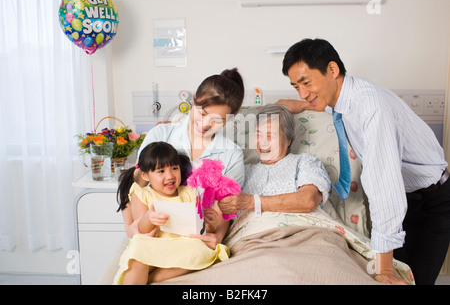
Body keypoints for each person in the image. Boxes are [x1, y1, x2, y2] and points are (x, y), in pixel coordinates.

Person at [276, 38, 450, 285]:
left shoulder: (373, 109)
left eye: (307, 83)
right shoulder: (345, 98)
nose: (303, 92)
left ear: (332, 70)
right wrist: (303, 104)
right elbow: (333, 108)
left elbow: (384, 188)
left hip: (431, 203)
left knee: (410, 280)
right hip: (407, 201)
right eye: (296, 87)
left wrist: (385, 269)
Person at [123, 68, 246, 252]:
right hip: (153, 233)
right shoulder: (161, 134)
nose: (205, 125)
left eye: (216, 120)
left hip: (194, 239)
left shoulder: (231, 155)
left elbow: (224, 209)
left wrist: (217, 236)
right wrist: (131, 227)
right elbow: (134, 186)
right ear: (194, 99)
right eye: (202, 113)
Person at [114, 142, 230, 285]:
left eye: (175, 169)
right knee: (138, 248)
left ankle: (150, 279)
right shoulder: (142, 194)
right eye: (161, 171)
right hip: (155, 245)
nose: (170, 176)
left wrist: (208, 222)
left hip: (182, 246)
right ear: (145, 175)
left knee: (200, 250)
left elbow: (200, 229)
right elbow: (141, 231)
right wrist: (149, 218)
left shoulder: (188, 192)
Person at [218, 104, 331, 229]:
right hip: (253, 241)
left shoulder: (305, 162)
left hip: (303, 233)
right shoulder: (242, 171)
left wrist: (251, 202)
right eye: (258, 134)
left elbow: (308, 200)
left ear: (288, 140)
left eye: (270, 135)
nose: (263, 141)